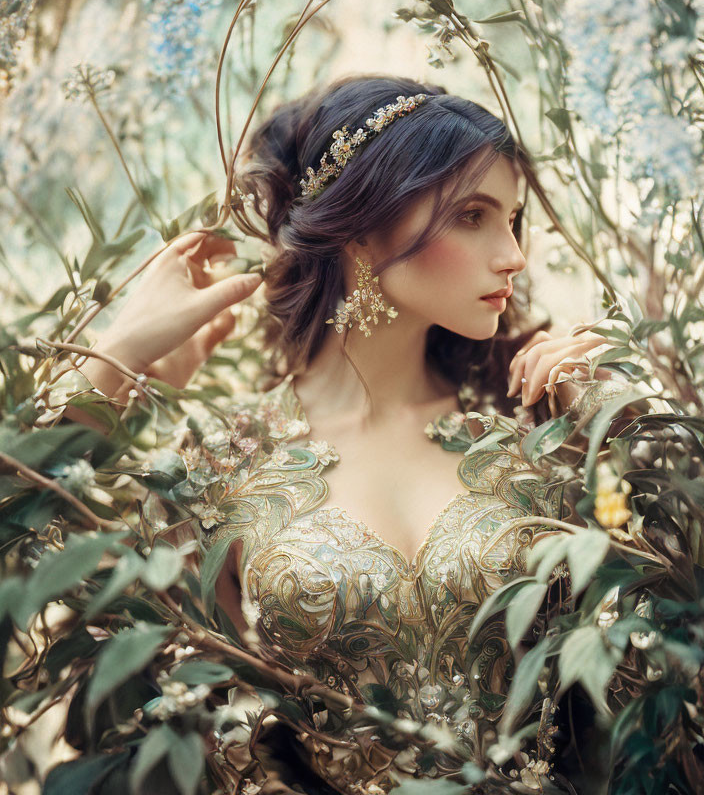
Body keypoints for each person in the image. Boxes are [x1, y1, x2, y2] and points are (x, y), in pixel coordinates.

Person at [65, 74, 638, 793]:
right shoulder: (220, 463)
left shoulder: (535, 430)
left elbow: (658, 632)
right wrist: (116, 359)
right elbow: (98, 652)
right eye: (472, 216)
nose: (513, 255)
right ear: (362, 228)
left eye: (513, 219)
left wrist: (622, 424)